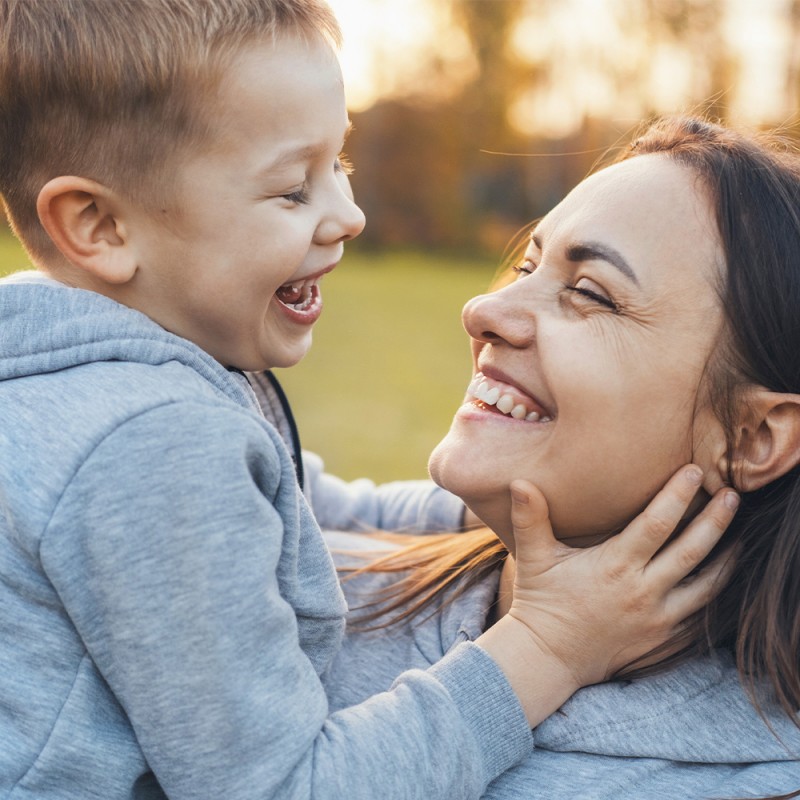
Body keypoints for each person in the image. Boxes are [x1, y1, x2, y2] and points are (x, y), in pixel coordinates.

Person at [0, 3, 736, 799]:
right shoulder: (152, 441)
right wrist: (550, 646)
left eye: (338, 164)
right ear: (100, 226)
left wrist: (491, 510)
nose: (348, 216)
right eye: (291, 189)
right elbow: (285, 789)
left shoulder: (103, 378)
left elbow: (308, 506)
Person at [319, 116, 800, 799]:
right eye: (526, 265)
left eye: (589, 292)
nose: (484, 308)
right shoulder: (288, 589)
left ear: (753, 438)